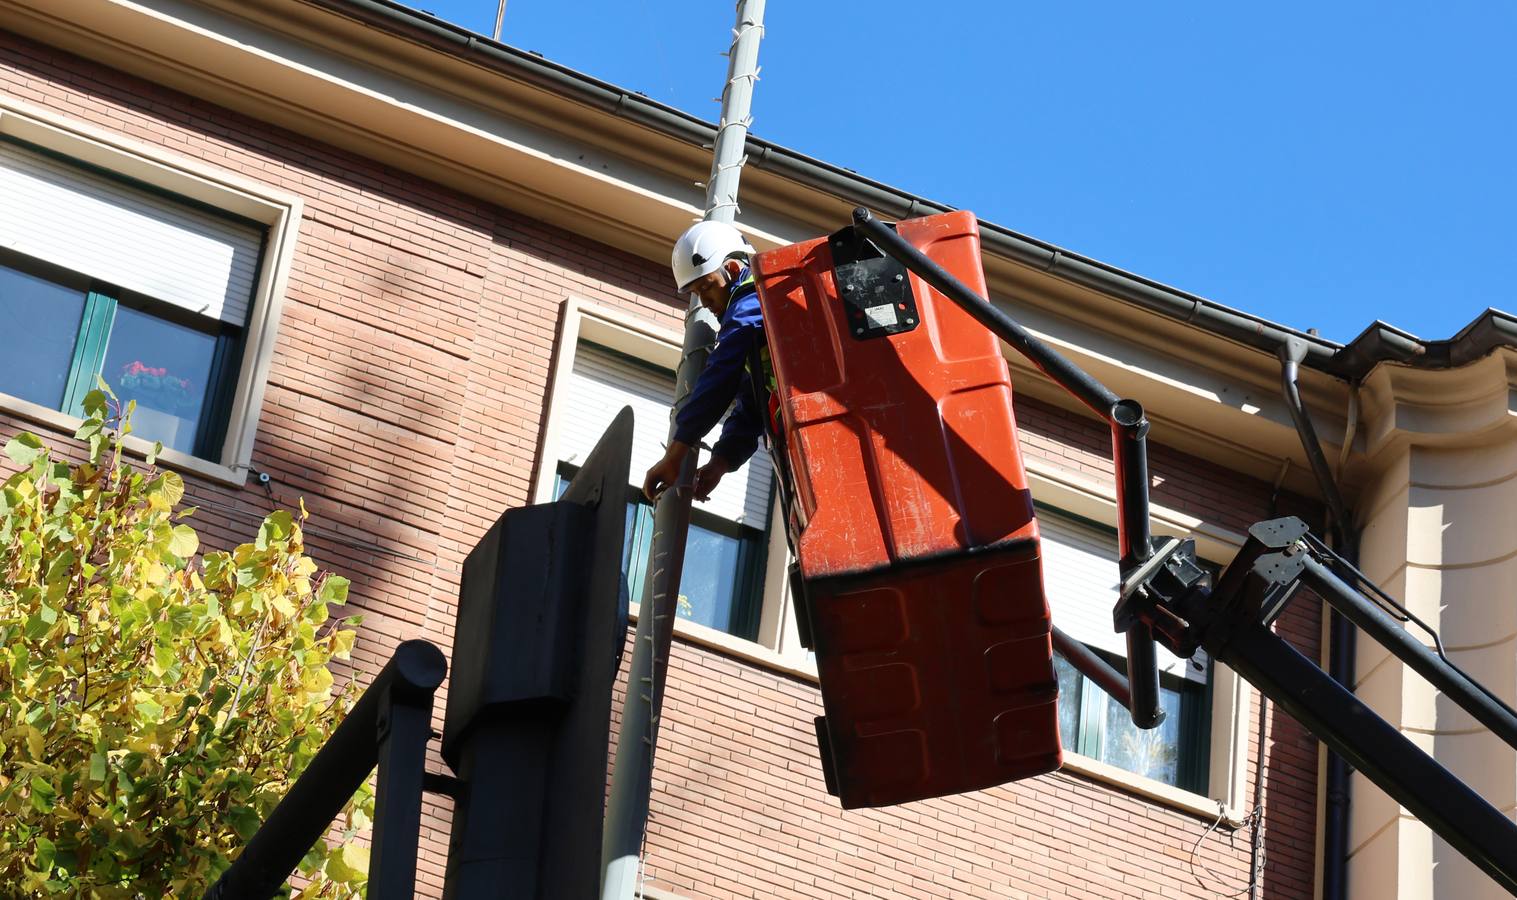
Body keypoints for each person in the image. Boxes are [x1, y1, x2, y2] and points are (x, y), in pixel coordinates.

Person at [642, 220, 774, 504]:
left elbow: (719, 378)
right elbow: (753, 407)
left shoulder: (753, 302)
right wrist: (721, 462)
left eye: (708, 286)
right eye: (697, 294)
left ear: (734, 269)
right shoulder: (758, 331)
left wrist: (675, 454)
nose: (706, 301)